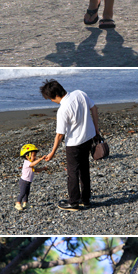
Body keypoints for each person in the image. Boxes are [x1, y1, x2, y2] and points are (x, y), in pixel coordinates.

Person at [40, 79, 98, 211]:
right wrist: (96, 130)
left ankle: (73, 202)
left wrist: (52, 152)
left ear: (54, 96)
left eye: (50, 99)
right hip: (88, 137)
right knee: (84, 170)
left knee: (72, 173)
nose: (51, 101)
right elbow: (94, 108)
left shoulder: (63, 109)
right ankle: (85, 200)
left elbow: (60, 135)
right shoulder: (80, 94)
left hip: (74, 144)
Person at [15, 143, 46, 211]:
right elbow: (33, 164)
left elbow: (35, 170)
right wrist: (40, 159)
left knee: (27, 193)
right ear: (27, 156)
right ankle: (18, 203)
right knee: (22, 193)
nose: (35, 157)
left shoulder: (30, 163)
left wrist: (43, 169)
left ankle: (25, 203)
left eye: (35, 155)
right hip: (24, 181)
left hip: (28, 181)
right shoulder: (27, 162)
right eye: (33, 155)